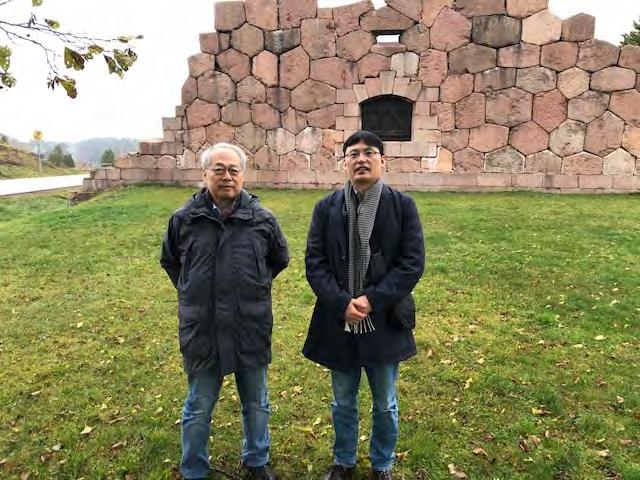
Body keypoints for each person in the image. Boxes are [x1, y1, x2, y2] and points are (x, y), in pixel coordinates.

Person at [160, 143, 289, 480]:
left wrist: (249, 288)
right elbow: (171, 261)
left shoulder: (262, 220)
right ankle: (194, 469)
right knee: (198, 406)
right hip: (202, 327)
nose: (227, 177)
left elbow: (279, 259)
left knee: (256, 403)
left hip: (250, 325)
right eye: (219, 169)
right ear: (205, 175)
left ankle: (257, 462)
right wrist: (193, 290)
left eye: (234, 170)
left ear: (243, 176)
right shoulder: (183, 219)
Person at [303, 131, 425, 480]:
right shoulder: (326, 208)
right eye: (353, 153)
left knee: (385, 403)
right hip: (339, 321)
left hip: (383, 321)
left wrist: (372, 300)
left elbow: (411, 263)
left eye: (369, 152)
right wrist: (342, 303)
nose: (361, 159)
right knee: (343, 401)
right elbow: (315, 263)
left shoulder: (402, 206)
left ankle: (382, 464)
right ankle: (343, 461)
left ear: (383, 161)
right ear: (344, 163)